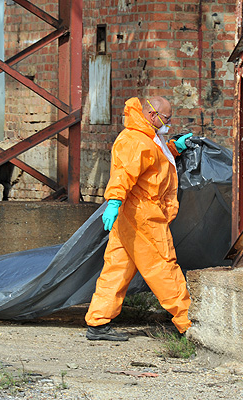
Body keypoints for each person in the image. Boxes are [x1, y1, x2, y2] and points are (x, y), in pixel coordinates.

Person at [85, 96, 194, 341]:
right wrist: (113, 200)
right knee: (163, 266)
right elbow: (124, 174)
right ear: (152, 114)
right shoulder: (137, 140)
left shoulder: (144, 136)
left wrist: (176, 147)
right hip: (144, 214)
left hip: (130, 214)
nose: (169, 122)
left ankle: (98, 322)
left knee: (117, 267)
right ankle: (187, 323)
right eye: (167, 118)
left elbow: (153, 161)